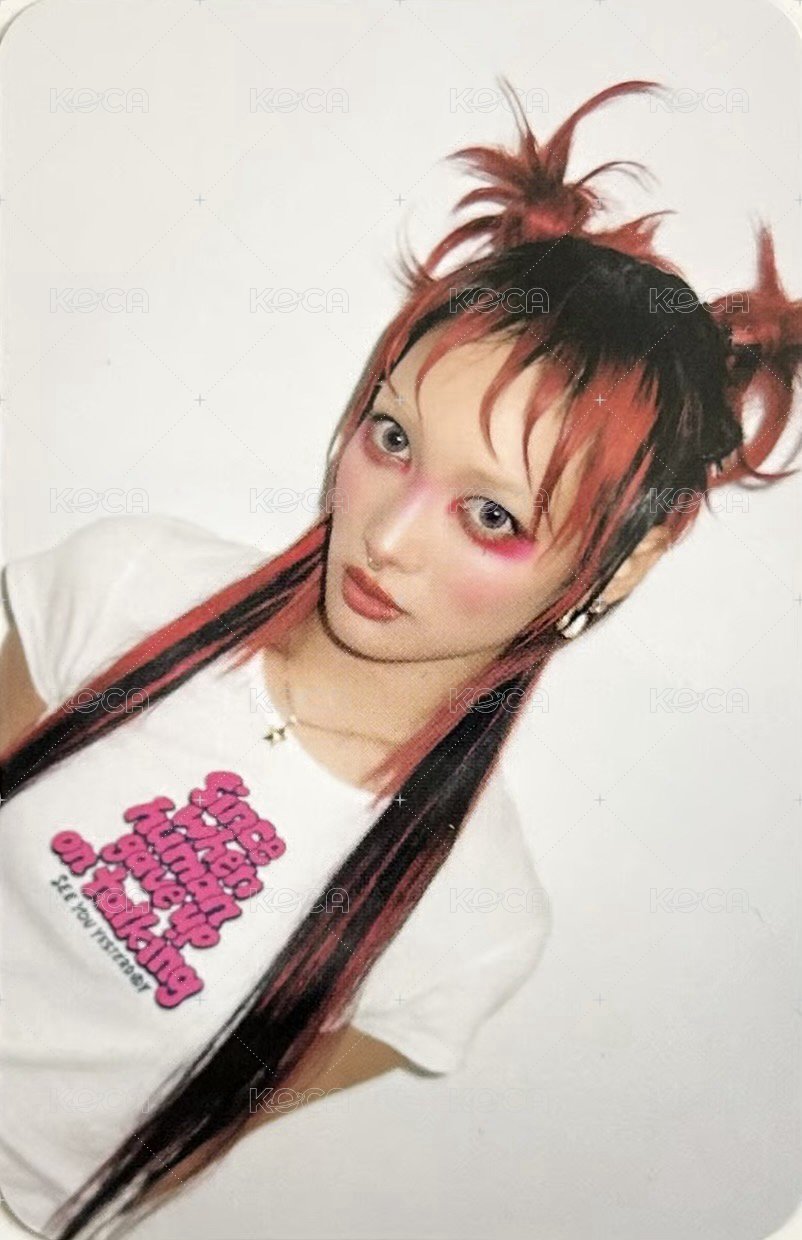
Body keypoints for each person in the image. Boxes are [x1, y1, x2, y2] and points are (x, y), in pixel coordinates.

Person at [1, 76, 800, 1240]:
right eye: (391, 438)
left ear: (618, 567)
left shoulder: (470, 919)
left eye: (491, 514)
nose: (385, 534)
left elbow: (193, 1122)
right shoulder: (128, 586)